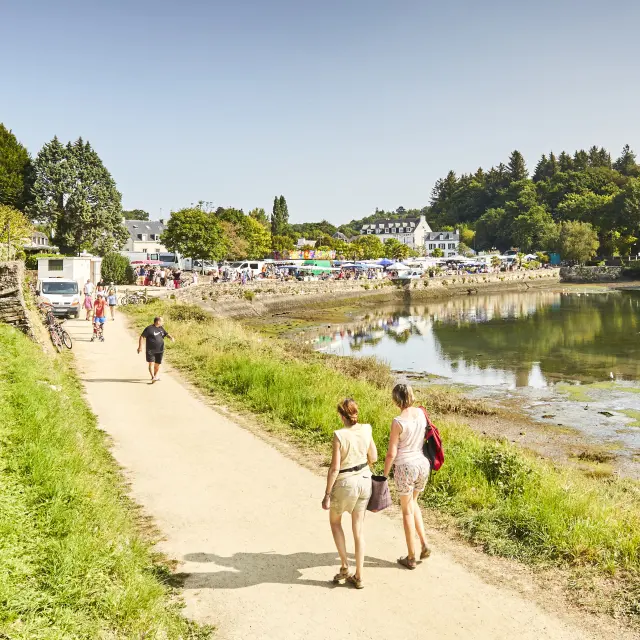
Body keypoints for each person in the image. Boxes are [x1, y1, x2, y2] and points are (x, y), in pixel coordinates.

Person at [322, 398, 377, 590]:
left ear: (341, 415)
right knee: (358, 530)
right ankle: (359, 575)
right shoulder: (367, 429)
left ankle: (345, 566)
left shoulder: (339, 435)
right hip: (364, 481)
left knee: (335, 522)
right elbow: (374, 457)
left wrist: (327, 494)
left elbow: (335, 468)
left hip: (345, 483)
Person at [383, 384, 431, 570]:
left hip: (405, 467)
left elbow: (391, 453)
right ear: (411, 395)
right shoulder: (421, 413)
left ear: (396, 400)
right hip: (422, 464)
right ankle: (424, 543)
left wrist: (384, 475)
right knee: (414, 503)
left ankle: (411, 557)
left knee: (406, 511)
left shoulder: (398, 422)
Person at [137, 316, 175, 383]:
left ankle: (155, 376)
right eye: (162, 321)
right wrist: (140, 347)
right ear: (158, 322)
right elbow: (142, 336)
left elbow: (166, 334)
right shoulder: (149, 328)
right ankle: (153, 377)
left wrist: (171, 337)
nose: (163, 322)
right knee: (151, 363)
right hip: (150, 350)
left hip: (160, 350)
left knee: (157, 365)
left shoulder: (161, 328)